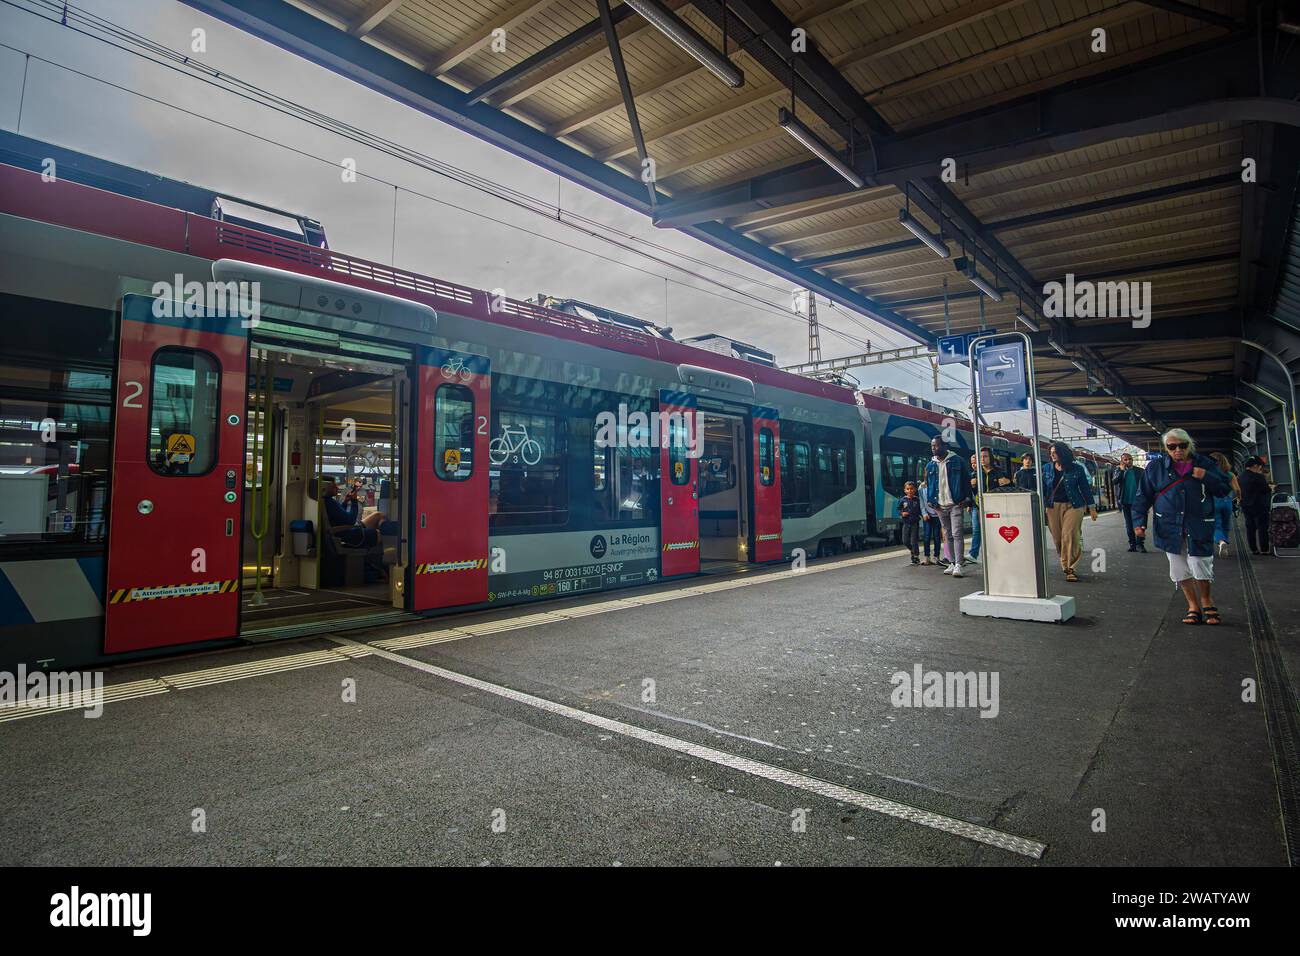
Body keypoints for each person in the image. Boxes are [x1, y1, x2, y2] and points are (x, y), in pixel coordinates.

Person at [1133, 428, 1230, 626]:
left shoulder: (1205, 464)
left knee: (1200, 562)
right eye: (1172, 446)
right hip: (1168, 523)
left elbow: (1224, 489)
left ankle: (1206, 601)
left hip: (1199, 522)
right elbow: (1143, 496)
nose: (1178, 449)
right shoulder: (1155, 467)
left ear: (1189, 445)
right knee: (1178, 567)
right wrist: (1139, 522)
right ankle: (1192, 605)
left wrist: (1206, 477)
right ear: (1166, 448)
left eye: (1182, 445)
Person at [1042, 441, 1098, 583]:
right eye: (1051, 453)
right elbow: (1042, 488)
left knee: (1070, 535)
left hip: (1074, 505)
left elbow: (1085, 489)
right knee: (1058, 538)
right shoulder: (1046, 468)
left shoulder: (1077, 469)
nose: (1052, 455)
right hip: (1052, 507)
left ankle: (1069, 568)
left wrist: (1092, 508)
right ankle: (1065, 561)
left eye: (1055, 452)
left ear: (1062, 453)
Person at [925, 436, 973, 578]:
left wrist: (967, 499)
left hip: (956, 503)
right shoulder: (930, 465)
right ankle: (952, 562)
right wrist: (930, 501)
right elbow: (929, 484)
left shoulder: (958, 461)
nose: (933, 448)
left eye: (936, 446)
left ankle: (959, 564)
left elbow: (966, 481)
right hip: (939, 505)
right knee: (947, 535)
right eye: (932, 446)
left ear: (945, 446)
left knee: (957, 533)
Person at [967, 448, 1011, 564]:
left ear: (990, 458)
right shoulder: (975, 473)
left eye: (985, 456)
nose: (982, 459)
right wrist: (972, 485)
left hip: (994, 506)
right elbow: (973, 491)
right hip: (978, 505)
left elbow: (1009, 486)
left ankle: (997, 552)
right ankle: (973, 554)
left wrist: (1007, 482)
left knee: (994, 530)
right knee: (976, 529)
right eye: (981, 457)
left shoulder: (999, 471)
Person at [1238, 456, 1273, 556]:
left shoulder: (1240, 477)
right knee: (1262, 528)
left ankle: (1254, 549)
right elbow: (1266, 490)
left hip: (1245, 506)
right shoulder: (1258, 477)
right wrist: (1271, 488)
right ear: (1255, 466)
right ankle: (1264, 549)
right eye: (1259, 467)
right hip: (1259, 506)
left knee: (1250, 528)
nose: (1260, 469)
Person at [1110, 453, 1145, 552]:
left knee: (1139, 524)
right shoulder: (1118, 471)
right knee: (1129, 525)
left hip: (1138, 502)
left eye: (1130, 459)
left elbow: (1145, 486)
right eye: (1125, 460)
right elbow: (1114, 482)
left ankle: (1140, 544)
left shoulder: (1140, 471)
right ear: (1122, 461)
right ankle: (1132, 544)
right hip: (1125, 502)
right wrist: (1121, 470)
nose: (1128, 461)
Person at [1209, 452, 1240, 557]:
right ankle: (1224, 546)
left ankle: (1221, 542)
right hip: (1227, 501)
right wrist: (1238, 498)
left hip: (1213, 501)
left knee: (1216, 526)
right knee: (1226, 525)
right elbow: (1237, 489)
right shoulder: (1230, 474)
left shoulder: (1209, 473)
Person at [917, 472, 942, 566]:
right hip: (927, 515)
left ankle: (936, 556)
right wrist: (924, 513)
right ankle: (927, 557)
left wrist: (939, 511)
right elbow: (921, 502)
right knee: (926, 537)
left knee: (936, 537)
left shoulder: (937, 485)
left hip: (937, 515)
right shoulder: (921, 487)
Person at [897, 480, 922, 566]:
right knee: (905, 541)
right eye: (908, 489)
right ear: (905, 490)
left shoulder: (917, 500)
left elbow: (921, 509)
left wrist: (923, 515)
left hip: (915, 523)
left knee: (914, 541)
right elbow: (898, 509)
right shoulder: (902, 500)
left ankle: (915, 556)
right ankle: (913, 550)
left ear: (914, 490)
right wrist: (901, 513)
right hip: (906, 523)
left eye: (911, 489)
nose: (910, 491)